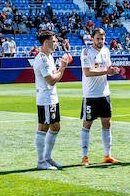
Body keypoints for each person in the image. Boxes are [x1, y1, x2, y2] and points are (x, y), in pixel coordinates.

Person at [79, 27, 122, 166]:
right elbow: (87, 72)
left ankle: (107, 155)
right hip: (90, 95)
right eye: (98, 38)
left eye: (102, 39)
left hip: (104, 93)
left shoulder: (106, 51)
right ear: (92, 39)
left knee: (107, 123)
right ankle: (84, 157)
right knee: (87, 124)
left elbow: (107, 69)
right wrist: (106, 71)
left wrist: (113, 71)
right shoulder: (86, 52)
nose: (100, 41)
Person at [31, 30, 72, 170]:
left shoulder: (49, 57)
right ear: (46, 42)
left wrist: (59, 69)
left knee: (55, 127)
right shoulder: (41, 59)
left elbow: (54, 75)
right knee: (43, 127)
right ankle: (41, 161)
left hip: (52, 97)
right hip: (45, 98)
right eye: (54, 41)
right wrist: (63, 67)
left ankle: (47, 158)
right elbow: (51, 80)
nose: (56, 43)